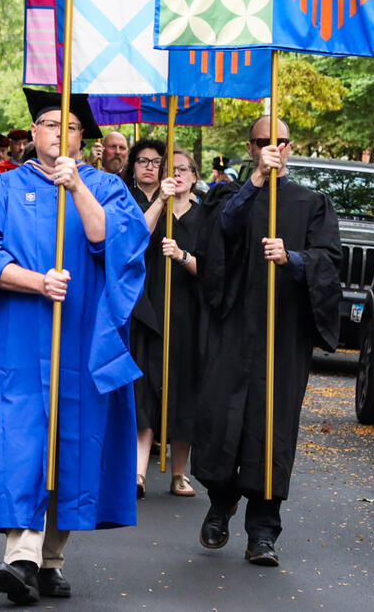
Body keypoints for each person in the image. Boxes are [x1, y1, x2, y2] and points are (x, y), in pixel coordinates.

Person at [0, 89, 149, 605]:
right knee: (22, 437)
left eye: (72, 127)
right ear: (33, 133)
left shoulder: (106, 187)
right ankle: (21, 556)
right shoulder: (2, 188)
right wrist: (37, 282)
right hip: (20, 335)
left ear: (86, 139)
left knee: (76, 443)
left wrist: (77, 186)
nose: (60, 133)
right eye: (50, 124)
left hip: (84, 337)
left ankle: (50, 560)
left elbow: (118, 246)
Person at [193, 116, 342, 568]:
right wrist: (256, 181)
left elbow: (329, 263)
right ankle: (220, 504)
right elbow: (218, 237)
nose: (271, 148)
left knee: (271, 430)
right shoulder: (230, 197)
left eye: (279, 141)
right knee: (222, 421)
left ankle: (262, 531)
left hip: (285, 333)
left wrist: (293, 258)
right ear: (251, 146)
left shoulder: (312, 203)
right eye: (262, 142)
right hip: (234, 328)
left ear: (291, 147)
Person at [122, 141, 204, 499]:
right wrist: (159, 202)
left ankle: (179, 474)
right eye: (173, 169)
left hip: (188, 313)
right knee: (146, 389)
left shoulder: (205, 217)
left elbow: (213, 268)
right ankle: (138, 472)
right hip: (150, 309)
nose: (177, 174)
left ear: (196, 177)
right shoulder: (158, 210)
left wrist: (183, 256)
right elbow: (133, 240)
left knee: (184, 391)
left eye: (184, 169)